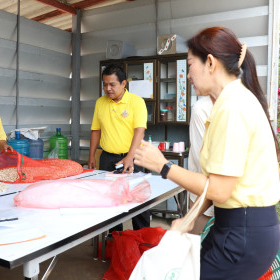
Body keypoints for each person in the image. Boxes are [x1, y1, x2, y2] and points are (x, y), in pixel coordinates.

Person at [134, 26, 280, 279]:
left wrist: (163, 166)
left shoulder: (232, 107)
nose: (188, 74)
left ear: (210, 63)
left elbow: (219, 189)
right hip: (242, 230)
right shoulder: (229, 103)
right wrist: (189, 217)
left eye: (190, 64)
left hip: (242, 235)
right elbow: (219, 184)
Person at [88, 64, 150, 231]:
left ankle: (143, 238)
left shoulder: (136, 102)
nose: (107, 88)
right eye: (104, 84)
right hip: (108, 158)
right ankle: (115, 237)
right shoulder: (100, 103)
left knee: (138, 200)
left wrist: (130, 157)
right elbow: (96, 130)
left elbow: (139, 131)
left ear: (124, 83)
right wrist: (92, 155)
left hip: (133, 157)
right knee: (111, 201)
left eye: (112, 84)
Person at [188, 96, 214, 235]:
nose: (188, 76)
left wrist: (164, 167)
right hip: (204, 191)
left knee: (198, 248)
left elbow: (206, 167)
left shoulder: (201, 108)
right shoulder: (201, 108)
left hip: (210, 192)